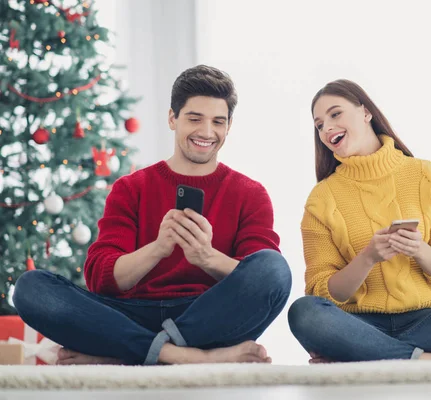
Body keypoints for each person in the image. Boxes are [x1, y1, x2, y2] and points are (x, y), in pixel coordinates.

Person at [14, 65, 292, 365]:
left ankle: (127, 354)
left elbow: (262, 277)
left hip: (207, 317)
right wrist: (158, 249)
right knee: (31, 288)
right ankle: (184, 356)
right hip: (132, 313)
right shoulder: (131, 188)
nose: (207, 132)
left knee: (275, 268)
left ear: (229, 126)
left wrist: (207, 257)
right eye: (194, 118)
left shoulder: (250, 193)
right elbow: (100, 279)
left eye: (218, 122)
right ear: (172, 118)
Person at [288, 79, 431, 363]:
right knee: (305, 312)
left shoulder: (427, 175)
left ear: (366, 112)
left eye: (335, 114)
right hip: (360, 324)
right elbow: (323, 291)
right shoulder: (322, 197)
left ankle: (368, 357)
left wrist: (419, 250)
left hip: (429, 322)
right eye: (319, 124)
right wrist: (367, 258)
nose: (327, 128)